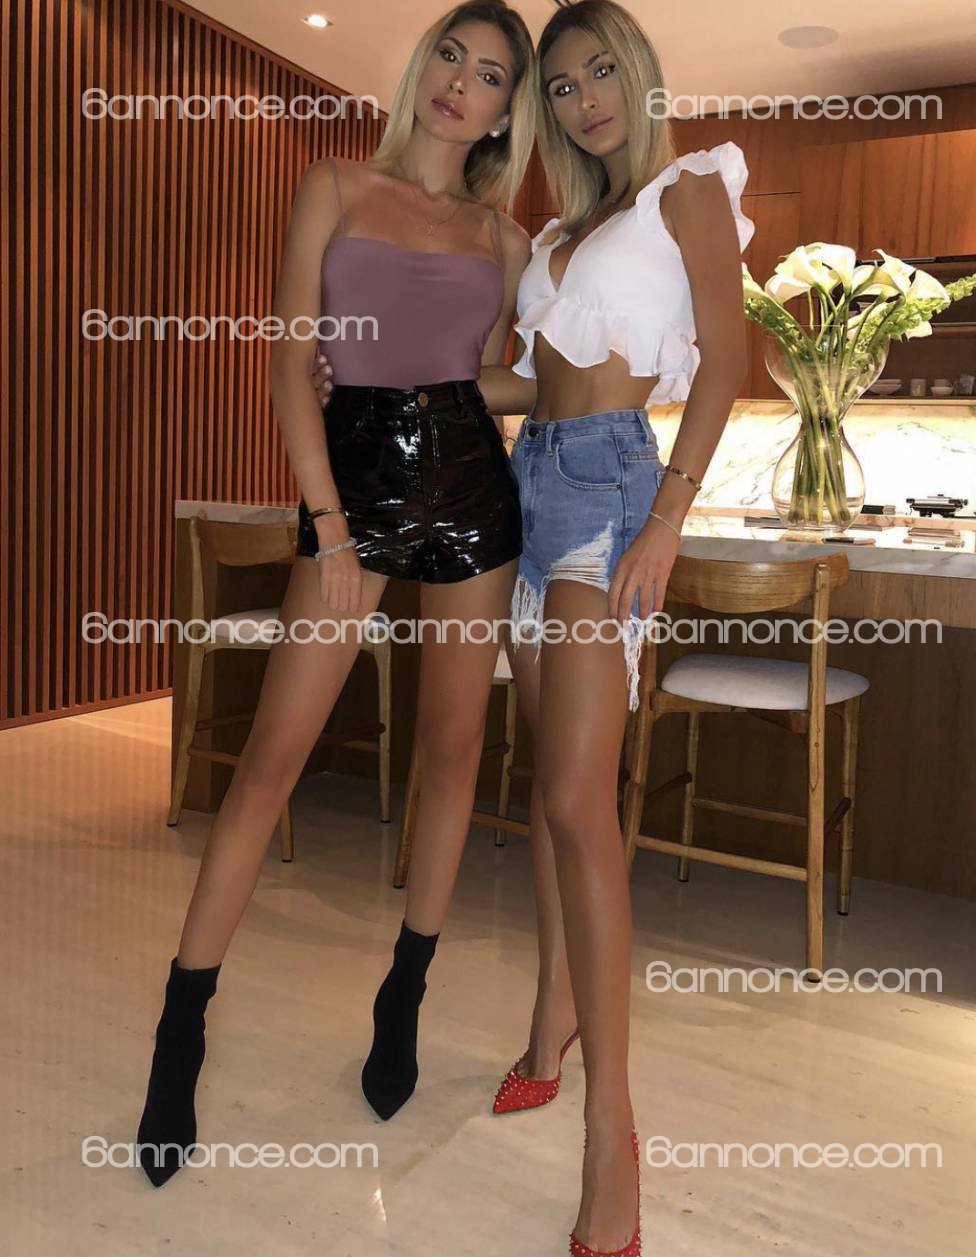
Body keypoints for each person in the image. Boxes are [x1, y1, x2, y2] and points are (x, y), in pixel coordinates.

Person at [134, 0, 536, 1187]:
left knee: (452, 758)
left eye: (490, 74)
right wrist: (323, 519)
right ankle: (180, 1030)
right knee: (271, 760)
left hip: (472, 494)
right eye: (451, 57)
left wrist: (567, 383)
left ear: (505, 112)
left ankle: (403, 995)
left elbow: (495, 382)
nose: (461, 82)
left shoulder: (506, 240)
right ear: (424, 69)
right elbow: (287, 356)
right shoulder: (334, 185)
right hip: (347, 492)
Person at [479, 2, 755, 1252]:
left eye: (602, 72)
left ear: (638, 78)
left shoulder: (684, 193)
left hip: (610, 491)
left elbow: (728, 363)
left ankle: (611, 1130)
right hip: (529, 480)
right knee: (548, 792)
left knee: (577, 803)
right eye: (563, 83)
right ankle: (551, 1024)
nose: (585, 98)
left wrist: (667, 525)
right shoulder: (556, 232)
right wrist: (403, 378)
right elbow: (530, 382)